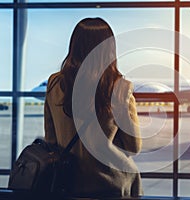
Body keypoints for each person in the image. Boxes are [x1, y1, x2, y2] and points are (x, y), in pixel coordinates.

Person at [44, 17, 143, 198]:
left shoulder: (55, 83)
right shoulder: (120, 87)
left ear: (74, 46)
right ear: (109, 49)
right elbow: (133, 146)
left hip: (67, 184)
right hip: (111, 186)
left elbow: (51, 140)